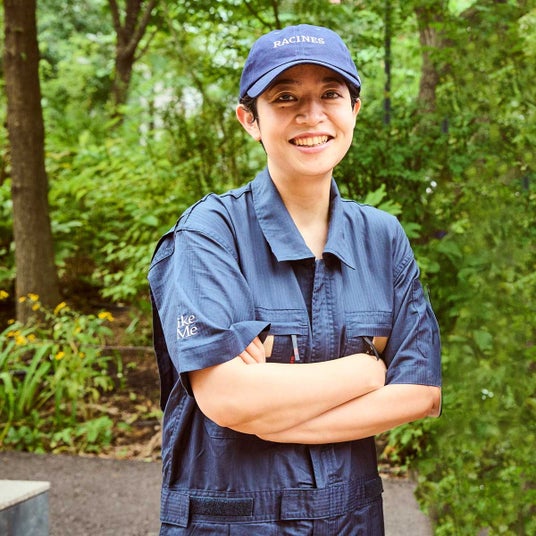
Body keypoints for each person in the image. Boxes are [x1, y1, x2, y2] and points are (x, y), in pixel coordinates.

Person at [148, 23, 442, 535]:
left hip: (353, 520)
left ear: (354, 109)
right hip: (232, 524)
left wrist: (268, 416)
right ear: (250, 120)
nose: (312, 115)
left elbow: (421, 393)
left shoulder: (382, 237)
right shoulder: (210, 233)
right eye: (285, 97)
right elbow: (227, 399)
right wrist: (366, 370)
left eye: (330, 94)